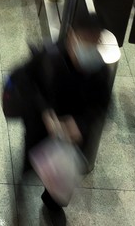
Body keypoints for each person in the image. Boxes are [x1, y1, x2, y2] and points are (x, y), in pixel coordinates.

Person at [8, 13, 111, 225]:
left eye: (95, 42)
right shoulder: (50, 54)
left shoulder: (100, 70)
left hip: (72, 136)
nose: (90, 48)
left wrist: (80, 126)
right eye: (86, 41)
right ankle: (24, 177)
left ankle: (52, 202)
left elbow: (102, 106)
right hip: (41, 125)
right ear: (72, 36)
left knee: (61, 177)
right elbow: (23, 79)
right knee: (31, 158)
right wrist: (44, 111)